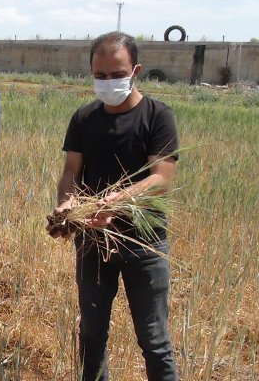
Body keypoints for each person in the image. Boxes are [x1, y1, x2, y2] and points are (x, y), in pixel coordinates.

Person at [47, 31, 179, 380]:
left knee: (154, 339)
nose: (108, 82)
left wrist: (115, 201)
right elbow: (70, 172)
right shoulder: (84, 118)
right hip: (93, 244)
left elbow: (161, 179)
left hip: (144, 244)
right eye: (100, 76)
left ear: (136, 70)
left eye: (117, 74)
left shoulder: (157, 116)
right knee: (91, 335)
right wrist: (67, 206)